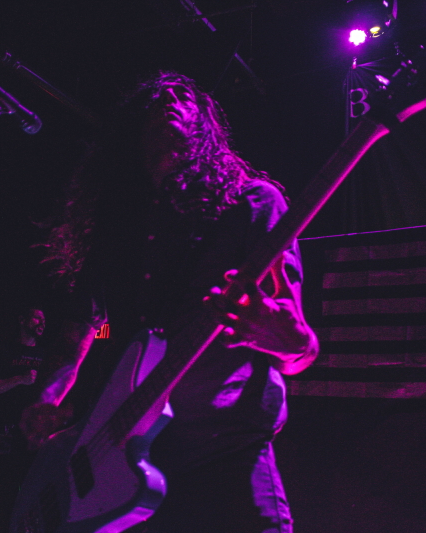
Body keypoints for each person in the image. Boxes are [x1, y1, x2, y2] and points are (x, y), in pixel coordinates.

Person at [22, 71, 319, 532]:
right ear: (134, 132)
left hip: (223, 444)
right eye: (157, 100)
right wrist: (48, 395)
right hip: (119, 454)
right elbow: (80, 324)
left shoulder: (252, 202)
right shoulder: (117, 224)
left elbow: (296, 345)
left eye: (183, 97)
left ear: (203, 125)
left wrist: (292, 341)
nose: (170, 102)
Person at [0, 306, 48, 532]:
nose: (41, 322)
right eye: (37, 317)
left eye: (44, 319)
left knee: (33, 491)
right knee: (3, 490)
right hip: (7, 430)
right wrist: (19, 379)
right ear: (22, 319)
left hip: (36, 436)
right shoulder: (5, 350)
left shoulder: (46, 356)